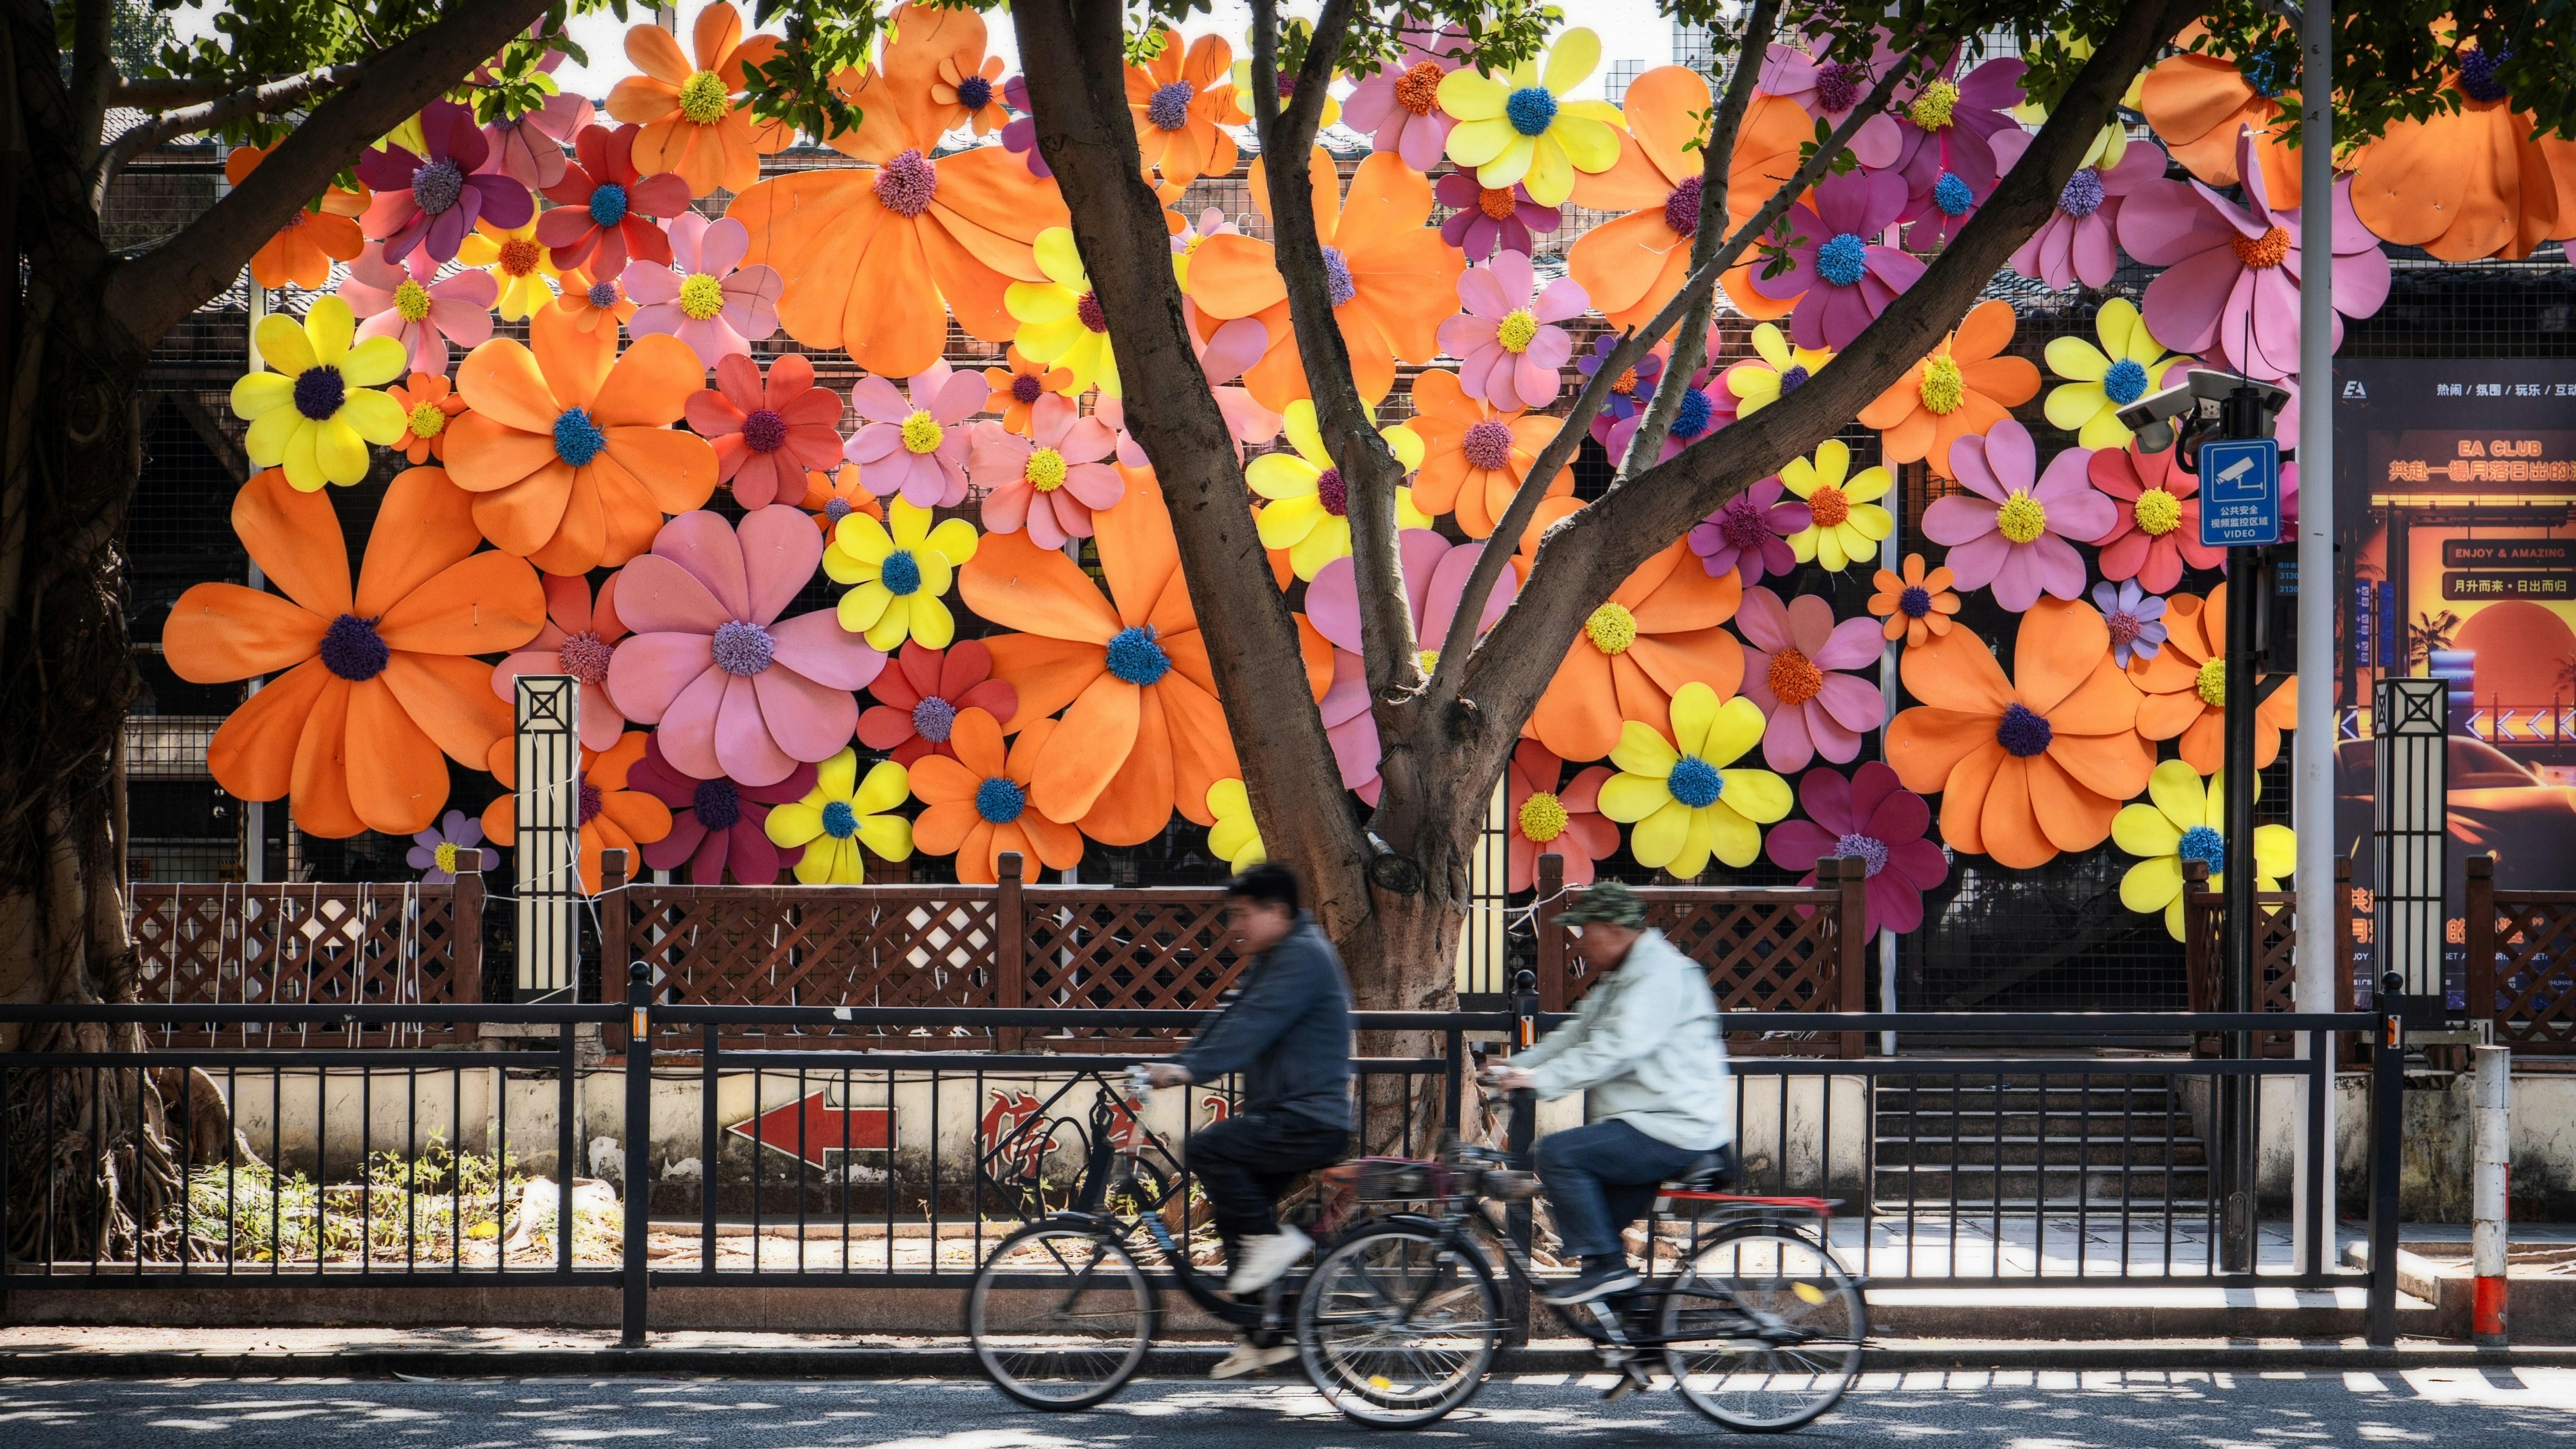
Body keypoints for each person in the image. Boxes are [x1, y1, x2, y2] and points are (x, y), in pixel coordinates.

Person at [1143, 861, 1353, 1378]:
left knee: (1209, 1151)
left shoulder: (1302, 956)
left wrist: (1187, 1069)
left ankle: (1273, 1258)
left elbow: (1254, 1027)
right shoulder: (1276, 953)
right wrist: (1182, 1059)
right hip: (1288, 1114)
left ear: (1277, 911)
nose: (1233, 927)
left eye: (1242, 915)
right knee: (1239, 1220)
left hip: (1308, 1120)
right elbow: (1231, 1017)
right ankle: (1264, 1335)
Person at [1486, 881, 1733, 1305]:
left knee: (1558, 1155)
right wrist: (1517, 1067)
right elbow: (1577, 1034)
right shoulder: (1624, 977)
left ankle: (1608, 1275)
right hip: (1649, 1122)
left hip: (1675, 1125)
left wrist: (1541, 1081)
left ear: (1615, 930)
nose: (1581, 944)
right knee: (1600, 1248)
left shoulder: (1659, 975)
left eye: (1587, 931)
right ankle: (1637, 1350)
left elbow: (1615, 1047)